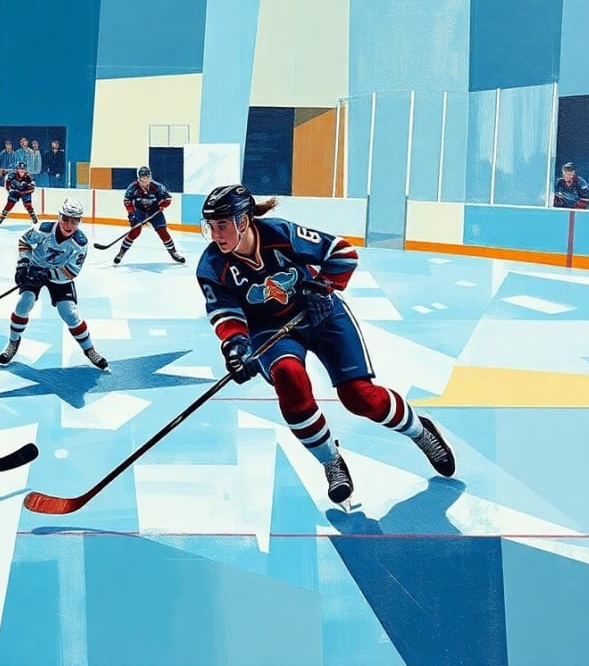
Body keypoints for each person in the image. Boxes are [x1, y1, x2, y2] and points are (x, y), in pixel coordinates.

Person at [195, 184, 455, 506]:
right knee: (288, 377)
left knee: (359, 397)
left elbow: (343, 252)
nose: (215, 235)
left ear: (244, 220)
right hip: (270, 329)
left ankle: (420, 430)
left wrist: (322, 287)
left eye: (222, 225)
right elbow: (225, 314)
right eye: (210, 226)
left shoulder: (281, 234)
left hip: (324, 315)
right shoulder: (211, 267)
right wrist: (235, 347)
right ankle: (331, 460)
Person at [0, 199, 108, 371]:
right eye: (65, 219)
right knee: (23, 303)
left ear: (79, 221)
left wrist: (47, 274)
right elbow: (24, 241)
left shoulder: (80, 243)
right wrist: (23, 265)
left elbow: (71, 272)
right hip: (35, 268)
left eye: (74, 221)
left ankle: (90, 350)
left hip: (60, 277)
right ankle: (13, 343)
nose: (69, 225)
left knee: (69, 313)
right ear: (59, 217)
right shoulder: (43, 229)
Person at [113, 166, 185, 265]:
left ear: (150, 177)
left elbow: (168, 198)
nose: (145, 180)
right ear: (139, 178)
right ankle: (121, 253)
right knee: (135, 232)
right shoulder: (133, 187)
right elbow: (127, 201)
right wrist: (132, 214)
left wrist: (161, 206)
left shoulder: (157, 186)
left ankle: (174, 252)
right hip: (140, 212)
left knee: (162, 231)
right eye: (142, 178)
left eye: (147, 177)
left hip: (155, 212)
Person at [0, 161, 37, 225]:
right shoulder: (12, 175)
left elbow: (32, 188)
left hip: (25, 192)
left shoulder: (29, 177)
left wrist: (27, 187)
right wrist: (10, 190)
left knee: (28, 204)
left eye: (23, 169)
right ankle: (1, 218)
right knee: (10, 203)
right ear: (17, 169)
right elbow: (7, 184)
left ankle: (33, 216)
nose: (22, 170)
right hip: (15, 191)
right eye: (20, 168)